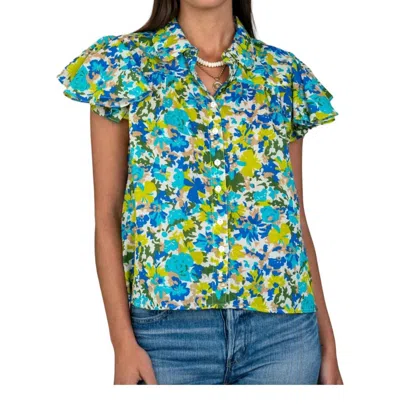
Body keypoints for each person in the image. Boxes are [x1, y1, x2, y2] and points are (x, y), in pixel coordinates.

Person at [56, 0, 343, 385]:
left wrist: (328, 343)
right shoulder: (124, 66)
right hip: (167, 338)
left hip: (284, 336)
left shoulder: (281, 74)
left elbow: (295, 218)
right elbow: (107, 218)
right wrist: (122, 343)